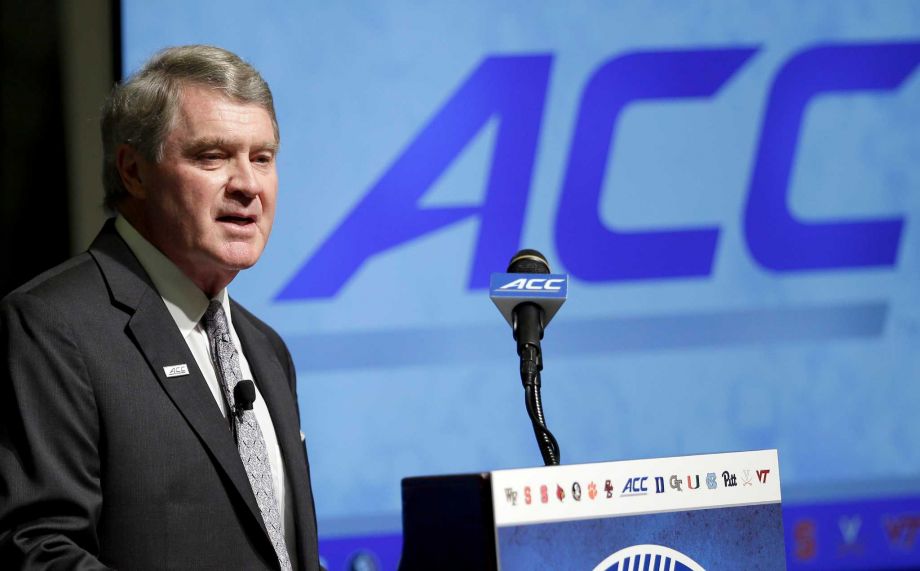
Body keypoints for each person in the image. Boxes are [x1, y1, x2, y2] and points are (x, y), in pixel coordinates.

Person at [0, 45, 320, 570]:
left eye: (262, 158)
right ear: (134, 171)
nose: (247, 185)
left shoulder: (265, 350)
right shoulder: (53, 328)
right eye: (212, 156)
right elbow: (37, 548)